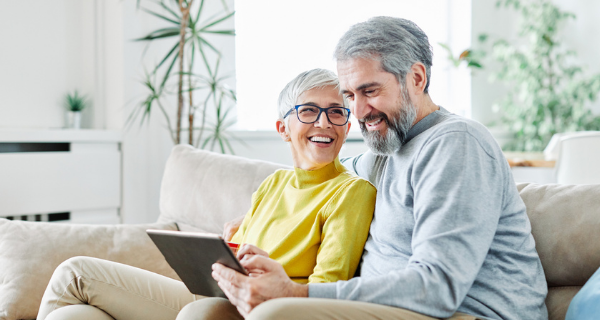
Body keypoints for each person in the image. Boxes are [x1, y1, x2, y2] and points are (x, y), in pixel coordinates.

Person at [208, 16, 548, 320]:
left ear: (416, 78)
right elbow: (317, 175)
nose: (359, 110)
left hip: (464, 313)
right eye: (350, 96)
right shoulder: (385, 150)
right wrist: (262, 212)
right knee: (206, 312)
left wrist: (296, 293)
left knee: (277, 313)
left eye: (370, 91)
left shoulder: (456, 144)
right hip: (385, 310)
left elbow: (438, 288)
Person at [36, 69, 376, 320]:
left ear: (347, 126)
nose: (324, 122)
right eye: (308, 111)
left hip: (262, 309)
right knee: (72, 302)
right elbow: (234, 260)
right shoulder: (274, 184)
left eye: (336, 112)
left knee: (197, 312)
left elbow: (327, 289)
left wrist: (273, 281)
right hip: (216, 293)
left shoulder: (352, 191)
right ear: (283, 129)